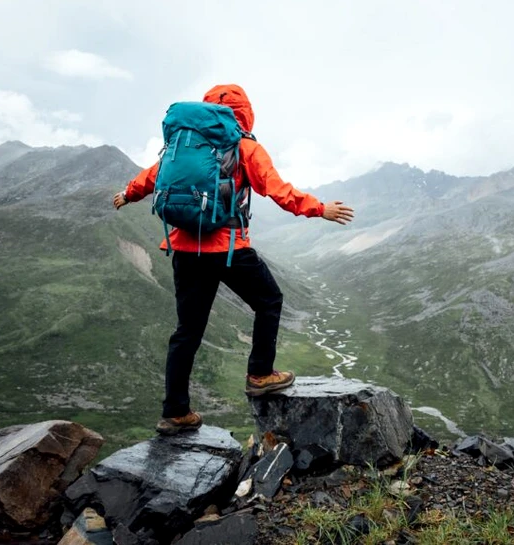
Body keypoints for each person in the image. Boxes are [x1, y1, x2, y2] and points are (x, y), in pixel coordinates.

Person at [113, 84, 354, 435]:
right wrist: (320, 209)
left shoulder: (184, 144)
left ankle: (175, 411)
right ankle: (259, 374)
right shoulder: (245, 147)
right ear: (245, 112)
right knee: (270, 300)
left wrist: (126, 194)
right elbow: (277, 189)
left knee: (187, 331)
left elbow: (151, 177)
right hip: (228, 249)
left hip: (185, 249)